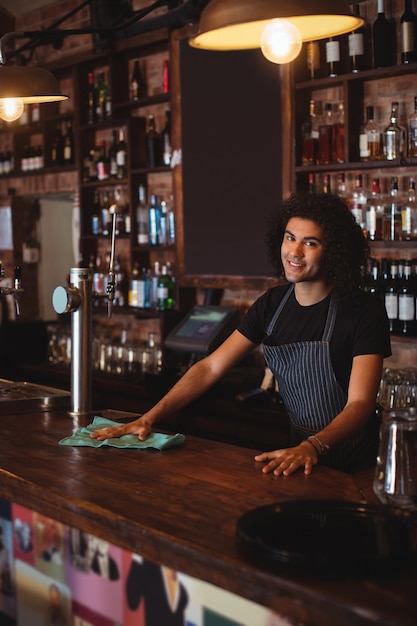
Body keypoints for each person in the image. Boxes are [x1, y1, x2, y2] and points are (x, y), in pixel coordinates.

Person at [91, 192, 391, 475]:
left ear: (335, 251)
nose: (294, 252)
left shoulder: (362, 311)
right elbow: (210, 367)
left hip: (356, 465)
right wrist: (149, 417)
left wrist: (313, 445)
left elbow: (360, 404)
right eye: (290, 238)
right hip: (295, 456)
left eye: (310, 243)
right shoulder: (272, 305)